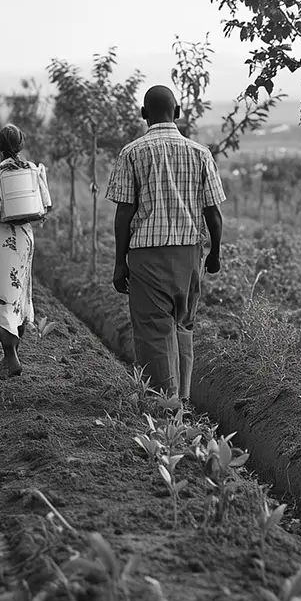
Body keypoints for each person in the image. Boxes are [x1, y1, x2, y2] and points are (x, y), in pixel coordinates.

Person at [106, 84, 224, 402]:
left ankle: (165, 406)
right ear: (178, 112)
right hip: (189, 255)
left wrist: (119, 262)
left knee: (153, 330)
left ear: (144, 114)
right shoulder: (201, 153)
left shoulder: (132, 152)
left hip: (147, 256)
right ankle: (182, 400)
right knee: (183, 325)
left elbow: (124, 214)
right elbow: (214, 212)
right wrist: (214, 253)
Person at [0, 124, 53, 376]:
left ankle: (10, 358)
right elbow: (45, 206)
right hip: (24, 239)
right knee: (18, 296)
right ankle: (12, 354)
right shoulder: (34, 171)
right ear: (21, 145)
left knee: (1, 297)